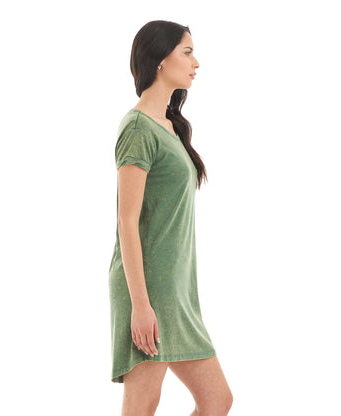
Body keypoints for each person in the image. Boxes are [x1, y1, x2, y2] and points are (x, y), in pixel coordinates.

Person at [108, 20, 233, 416]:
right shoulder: (137, 128)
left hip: (177, 290)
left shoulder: (169, 126)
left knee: (216, 400)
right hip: (146, 289)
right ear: (161, 60)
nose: (196, 62)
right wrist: (140, 305)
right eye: (187, 52)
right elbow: (126, 221)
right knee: (143, 404)